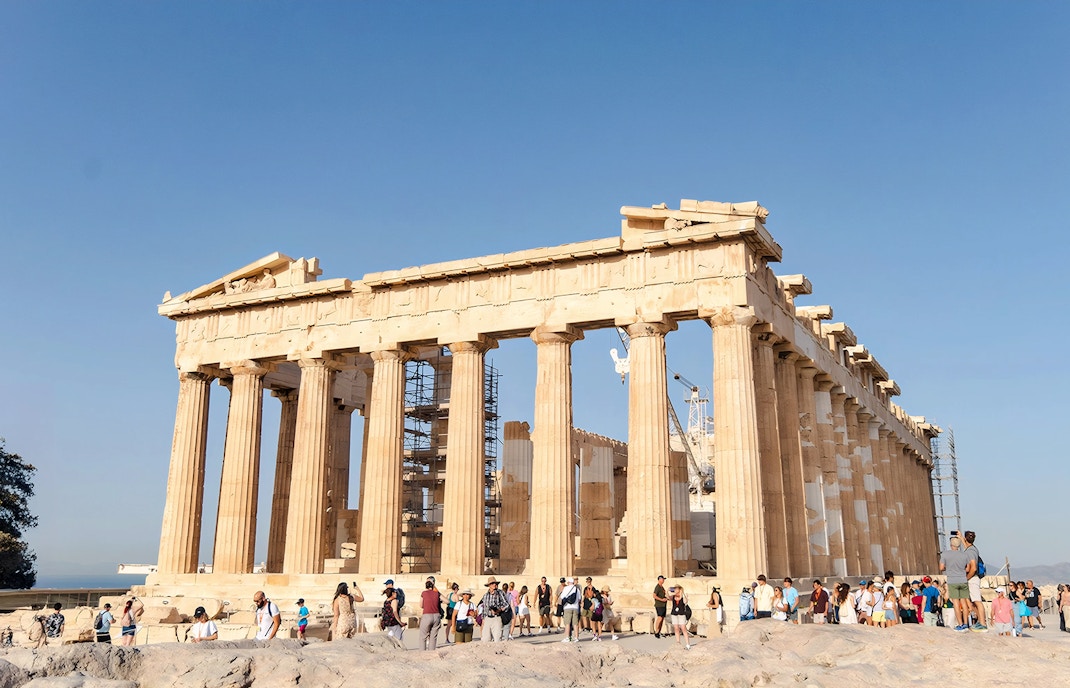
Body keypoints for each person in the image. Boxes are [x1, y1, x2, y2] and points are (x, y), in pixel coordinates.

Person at [938, 535, 972, 631]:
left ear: (951, 544)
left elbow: (941, 568)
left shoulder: (945, 554)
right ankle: (966, 623)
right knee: (964, 602)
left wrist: (948, 568)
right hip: (963, 580)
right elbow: (968, 568)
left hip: (952, 580)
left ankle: (960, 624)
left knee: (956, 603)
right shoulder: (965, 555)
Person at [962, 531, 987, 631]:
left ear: (965, 538)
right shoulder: (972, 549)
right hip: (973, 578)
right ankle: (979, 622)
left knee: (977, 601)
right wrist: (961, 538)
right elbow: (967, 546)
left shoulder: (970, 552)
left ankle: (983, 623)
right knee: (974, 602)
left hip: (972, 578)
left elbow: (973, 568)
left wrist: (966, 578)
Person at [479, 576, 510, 643]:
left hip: (496, 617)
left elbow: (506, 604)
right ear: (489, 585)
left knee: (497, 639)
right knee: (485, 639)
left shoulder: (500, 593)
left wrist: (499, 610)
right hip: (487, 618)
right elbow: (484, 608)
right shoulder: (486, 595)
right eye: (492, 583)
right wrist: (483, 619)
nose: (494, 585)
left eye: (495, 583)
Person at [419, 578, 442, 650]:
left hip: (427, 615)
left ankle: (422, 653)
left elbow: (421, 605)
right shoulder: (437, 593)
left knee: (423, 637)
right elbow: (447, 601)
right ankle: (431, 653)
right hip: (436, 615)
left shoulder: (424, 593)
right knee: (433, 637)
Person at [669, 584, 691, 650]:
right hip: (674, 613)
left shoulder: (683, 596)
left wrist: (682, 593)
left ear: (679, 589)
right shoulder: (673, 596)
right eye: (674, 588)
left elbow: (685, 602)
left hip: (681, 614)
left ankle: (687, 644)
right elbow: (667, 597)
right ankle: (678, 642)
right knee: (676, 628)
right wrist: (668, 591)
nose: (675, 589)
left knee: (683, 628)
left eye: (676, 588)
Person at [559, 576, 581, 643]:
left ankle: (567, 637)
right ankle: (576, 637)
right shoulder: (577, 589)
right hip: (575, 607)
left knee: (567, 623)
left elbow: (562, 597)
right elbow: (579, 599)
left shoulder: (566, 588)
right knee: (575, 623)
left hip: (567, 607)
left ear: (568, 582)